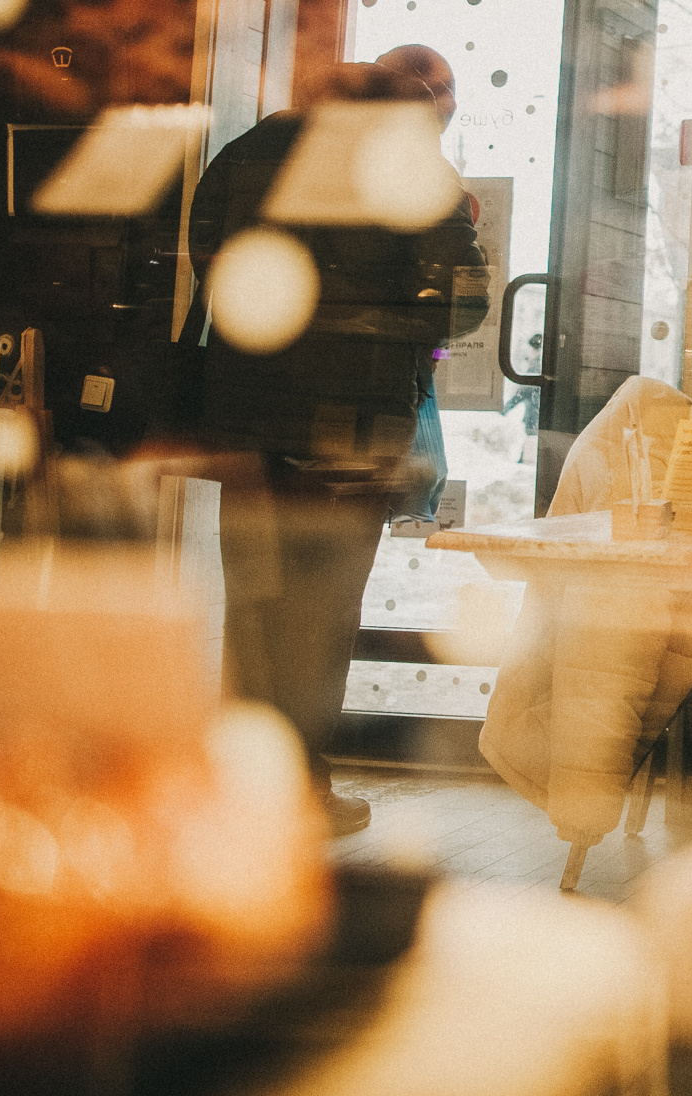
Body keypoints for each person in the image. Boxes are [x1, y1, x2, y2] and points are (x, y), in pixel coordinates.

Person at [189, 63, 487, 834]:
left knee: (254, 608)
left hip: (247, 421)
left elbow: (206, 259)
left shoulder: (246, 153)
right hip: (349, 429)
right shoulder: (405, 169)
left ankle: (244, 785)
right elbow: (462, 301)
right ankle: (298, 791)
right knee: (319, 618)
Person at [373, 43, 469, 526]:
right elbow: (460, 298)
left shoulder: (276, 146)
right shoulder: (423, 174)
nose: (450, 104)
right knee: (332, 592)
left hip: (262, 409)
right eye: (444, 90)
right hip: (371, 397)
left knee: (254, 587)